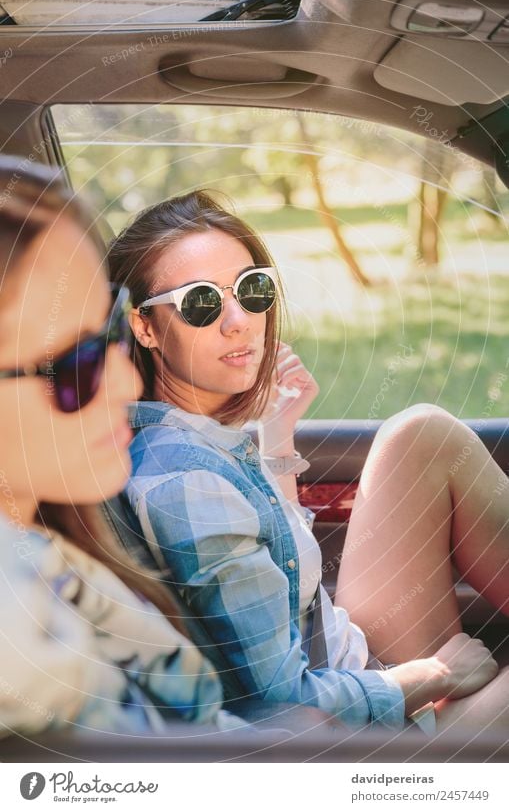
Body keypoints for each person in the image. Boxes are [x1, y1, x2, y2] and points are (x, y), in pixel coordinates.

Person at [109, 189, 508, 736]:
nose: (239, 321)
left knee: (421, 435)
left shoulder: (188, 441)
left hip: (349, 659)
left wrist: (276, 436)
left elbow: (281, 571)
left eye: (252, 291)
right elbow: (280, 704)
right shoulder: (187, 483)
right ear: (146, 327)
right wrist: (432, 675)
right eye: (200, 302)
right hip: (363, 738)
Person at [0, 159, 241, 739]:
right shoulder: (22, 654)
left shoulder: (51, 558)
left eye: (110, 330)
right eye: (76, 365)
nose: (129, 384)